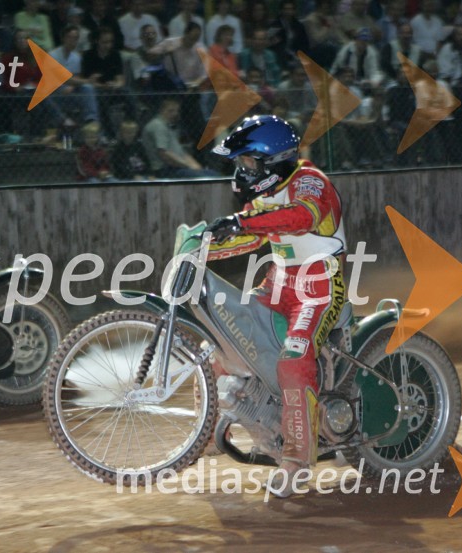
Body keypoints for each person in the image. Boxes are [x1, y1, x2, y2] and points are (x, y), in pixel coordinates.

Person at [205, 115, 347, 497]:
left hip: (318, 285)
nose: (243, 171)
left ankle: (298, 460)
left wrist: (241, 223)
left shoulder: (308, 179)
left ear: (270, 160)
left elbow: (304, 216)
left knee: (293, 359)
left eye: (248, 163)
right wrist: (201, 245)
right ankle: (211, 429)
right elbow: (250, 236)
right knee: (224, 336)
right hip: (279, 281)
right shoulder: (265, 194)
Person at [141, 98, 219, 178]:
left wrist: (195, 166)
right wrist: (187, 165)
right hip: (166, 169)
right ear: (161, 111)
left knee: (213, 174)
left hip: (178, 167)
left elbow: (182, 152)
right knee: (205, 177)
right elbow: (164, 153)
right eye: (171, 111)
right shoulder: (158, 126)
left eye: (176, 111)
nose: (175, 114)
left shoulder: (169, 127)